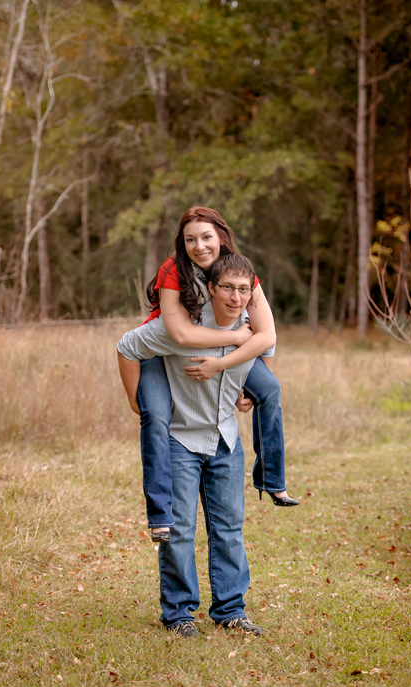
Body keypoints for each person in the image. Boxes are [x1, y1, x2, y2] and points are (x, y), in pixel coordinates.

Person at [117, 207, 296, 545]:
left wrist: (247, 383)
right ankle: (160, 515)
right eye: (190, 239)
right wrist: (133, 397)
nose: (199, 246)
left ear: (222, 237)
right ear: (181, 243)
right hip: (162, 349)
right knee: (155, 416)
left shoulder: (238, 270)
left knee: (270, 388)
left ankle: (273, 480)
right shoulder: (174, 269)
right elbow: (181, 335)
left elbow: (267, 335)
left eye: (207, 237)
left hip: (226, 350)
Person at [117, 253, 270, 637]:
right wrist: (137, 400)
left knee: (229, 528)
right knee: (180, 529)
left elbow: (265, 361)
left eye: (242, 290)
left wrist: (248, 393)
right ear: (211, 288)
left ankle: (231, 610)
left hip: (225, 439)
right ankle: (179, 615)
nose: (235, 297)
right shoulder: (179, 329)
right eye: (227, 289)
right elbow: (127, 345)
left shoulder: (253, 332)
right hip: (179, 439)